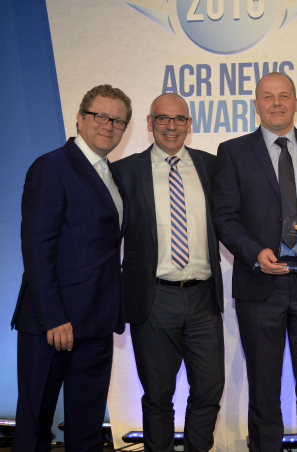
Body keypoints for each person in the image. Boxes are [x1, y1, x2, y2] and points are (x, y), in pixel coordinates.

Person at [212, 72, 297, 452]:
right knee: (264, 393)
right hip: (260, 287)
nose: (277, 103)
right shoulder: (233, 151)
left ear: (296, 102)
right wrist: (255, 253)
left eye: (284, 96)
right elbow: (224, 216)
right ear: (256, 104)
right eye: (268, 97)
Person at [11, 84, 131, 451]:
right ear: (80, 119)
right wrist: (54, 317)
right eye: (101, 116)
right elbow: (37, 248)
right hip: (52, 327)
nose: (108, 125)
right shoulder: (51, 167)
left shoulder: (113, 176)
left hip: (96, 327)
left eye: (118, 121)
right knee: (34, 430)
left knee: (87, 431)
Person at [113, 93, 224, 452]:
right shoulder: (126, 171)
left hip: (204, 297)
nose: (171, 126)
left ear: (190, 125)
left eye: (179, 120)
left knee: (209, 390)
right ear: (149, 123)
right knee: (158, 396)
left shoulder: (212, 166)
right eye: (163, 118)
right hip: (154, 297)